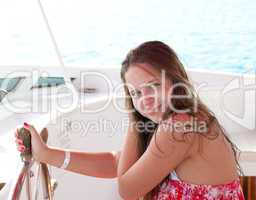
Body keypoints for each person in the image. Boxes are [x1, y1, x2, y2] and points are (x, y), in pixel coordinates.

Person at [15, 41, 245, 200]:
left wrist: (135, 120)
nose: (145, 100)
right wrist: (47, 154)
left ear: (177, 81)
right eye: (135, 93)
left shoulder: (180, 127)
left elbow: (127, 189)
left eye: (153, 86)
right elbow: (120, 164)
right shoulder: (179, 118)